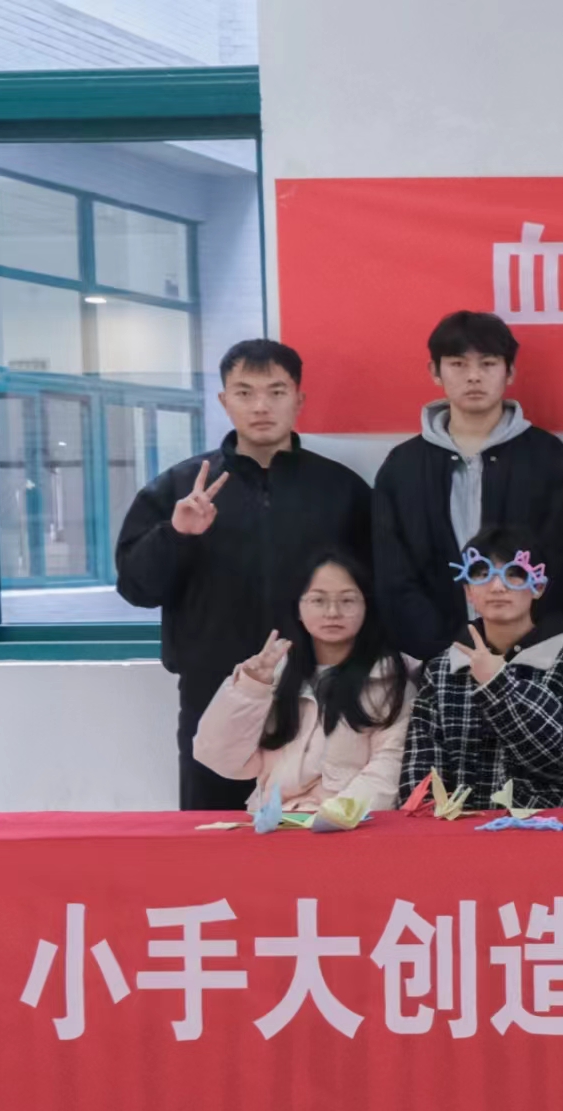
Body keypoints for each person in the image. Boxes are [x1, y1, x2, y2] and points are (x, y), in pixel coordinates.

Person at [116, 339, 372, 810]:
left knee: (315, 827)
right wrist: (176, 534)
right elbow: (136, 588)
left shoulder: (342, 490)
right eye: (244, 392)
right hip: (215, 692)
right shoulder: (181, 488)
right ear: (223, 400)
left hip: (319, 691)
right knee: (213, 830)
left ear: (299, 399)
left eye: (276, 392)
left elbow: (374, 591)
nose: (260, 406)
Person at [371, 310, 563, 663]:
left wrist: (520, 645)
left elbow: (561, 564)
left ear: (510, 372)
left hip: (532, 658)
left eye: (488, 364)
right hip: (431, 661)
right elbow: (394, 575)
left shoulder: (549, 460)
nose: (473, 376)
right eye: (457, 364)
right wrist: (444, 652)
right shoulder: (402, 467)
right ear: (435, 371)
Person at [402, 526, 563, 808]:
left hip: (559, 828)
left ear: (538, 587)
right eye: (482, 574)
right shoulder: (444, 667)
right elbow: (421, 775)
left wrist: (498, 684)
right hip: (463, 831)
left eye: (514, 574)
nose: (497, 587)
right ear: (468, 591)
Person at [191, 551, 412, 813]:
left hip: (350, 825)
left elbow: (389, 767)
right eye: (318, 600)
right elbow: (220, 758)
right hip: (275, 823)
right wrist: (251, 689)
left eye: (347, 600)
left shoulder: (391, 679)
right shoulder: (274, 673)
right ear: (297, 607)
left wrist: (331, 818)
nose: (333, 612)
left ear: (367, 606)